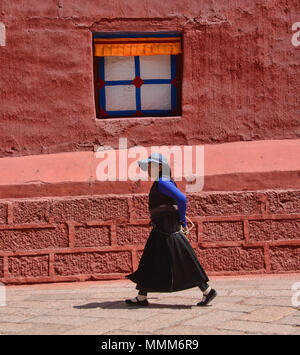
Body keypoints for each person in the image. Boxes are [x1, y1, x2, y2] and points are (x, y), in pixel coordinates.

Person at [125, 153, 217, 307]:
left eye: (150, 166)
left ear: (160, 166)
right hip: (161, 229)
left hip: (168, 230)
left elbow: (182, 199)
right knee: (149, 260)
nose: (148, 169)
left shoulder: (163, 182)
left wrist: (182, 220)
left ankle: (207, 291)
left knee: (184, 259)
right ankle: (141, 297)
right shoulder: (162, 181)